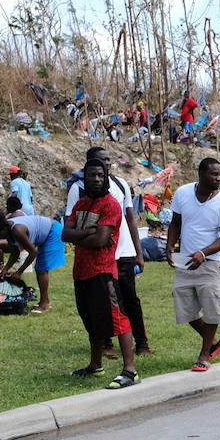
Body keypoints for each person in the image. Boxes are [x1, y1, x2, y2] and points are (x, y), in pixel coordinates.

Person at [63, 158, 139, 390]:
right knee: (90, 319)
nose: (96, 179)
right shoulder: (80, 204)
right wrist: (88, 232)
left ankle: (130, 371)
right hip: (81, 272)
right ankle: (95, 365)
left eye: (100, 175)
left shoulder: (110, 205)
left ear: (105, 178)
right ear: (84, 178)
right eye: (91, 175)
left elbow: (101, 240)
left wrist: (81, 234)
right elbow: (64, 234)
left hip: (103, 271)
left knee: (118, 319)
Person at [66, 147, 150, 354]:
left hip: (124, 252)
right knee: (100, 303)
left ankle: (141, 343)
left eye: (108, 160)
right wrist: (91, 235)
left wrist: (138, 253)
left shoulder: (120, 185)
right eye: (100, 160)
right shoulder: (78, 190)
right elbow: (69, 228)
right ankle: (105, 344)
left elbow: (131, 218)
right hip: (96, 257)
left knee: (130, 299)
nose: (107, 163)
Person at [167, 158, 220, 373]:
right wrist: (170, 247)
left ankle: (205, 354)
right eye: (214, 174)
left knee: (213, 310)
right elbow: (176, 223)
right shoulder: (182, 193)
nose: (219, 178)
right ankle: (214, 342)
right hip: (186, 261)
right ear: (201, 174)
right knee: (185, 311)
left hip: (211, 263)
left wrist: (203, 254)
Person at [0, 210, 65, 313]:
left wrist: (19, 272)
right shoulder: (8, 231)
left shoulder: (17, 230)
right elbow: (15, 253)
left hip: (53, 231)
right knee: (40, 269)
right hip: (45, 235)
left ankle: (45, 303)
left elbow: (33, 252)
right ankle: (43, 301)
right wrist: (5, 269)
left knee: (41, 269)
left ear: (4, 229)